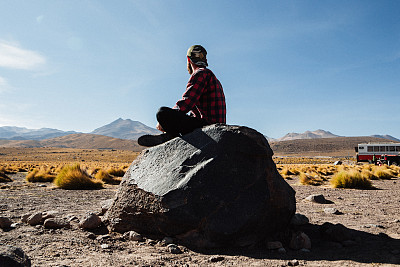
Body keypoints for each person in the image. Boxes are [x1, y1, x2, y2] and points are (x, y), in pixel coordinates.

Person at [138, 45, 226, 147]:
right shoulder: (211, 77)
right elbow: (195, 111)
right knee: (183, 117)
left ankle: (170, 136)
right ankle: (170, 136)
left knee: (162, 113)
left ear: (189, 59)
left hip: (207, 126)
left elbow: (187, 103)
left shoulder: (200, 74)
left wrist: (164, 122)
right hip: (212, 124)